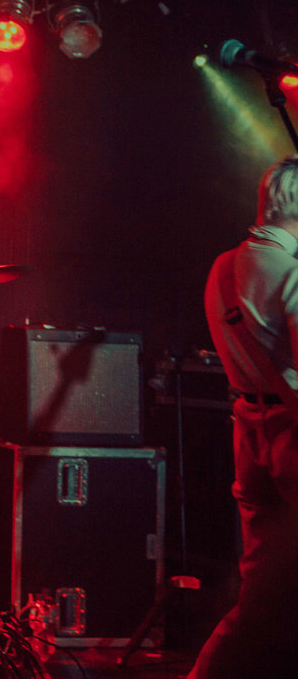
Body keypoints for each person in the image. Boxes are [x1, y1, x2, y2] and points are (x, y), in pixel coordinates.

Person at [193, 155, 298, 678]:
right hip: (292, 438)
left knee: (261, 596)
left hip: (248, 433)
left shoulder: (222, 267)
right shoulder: (294, 271)